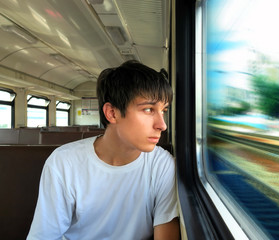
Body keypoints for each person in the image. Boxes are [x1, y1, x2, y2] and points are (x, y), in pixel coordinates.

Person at [27, 60, 179, 240]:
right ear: (112, 113)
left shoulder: (162, 165)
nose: (162, 125)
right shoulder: (64, 162)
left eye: (164, 111)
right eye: (148, 109)